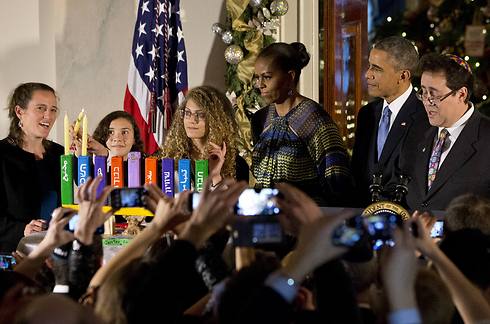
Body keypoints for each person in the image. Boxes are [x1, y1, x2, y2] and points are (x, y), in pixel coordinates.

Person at [251, 42, 353, 206]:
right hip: (266, 217)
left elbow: (337, 182)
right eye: (258, 77)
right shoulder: (260, 119)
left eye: (267, 77)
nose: (260, 84)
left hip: (304, 220)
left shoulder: (315, 119)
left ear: (290, 76)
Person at [400, 53, 490, 212]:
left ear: (461, 94)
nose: (427, 102)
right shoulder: (417, 131)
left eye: (434, 94)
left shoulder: (485, 137)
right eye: (423, 92)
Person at [351, 36, 430, 207]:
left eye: (377, 69)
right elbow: (357, 173)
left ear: (403, 75)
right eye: (369, 66)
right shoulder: (367, 114)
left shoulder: (426, 117)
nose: (367, 74)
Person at [0, 82, 63, 253]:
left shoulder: (60, 153)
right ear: (19, 112)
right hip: (12, 258)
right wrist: (23, 230)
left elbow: (90, 191)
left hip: (54, 254)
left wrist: (100, 156)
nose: (48, 116)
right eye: (41, 108)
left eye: (53, 110)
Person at [160, 85, 248, 187]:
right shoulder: (170, 159)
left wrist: (216, 176)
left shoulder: (237, 165)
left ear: (217, 120)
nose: (192, 120)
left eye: (200, 115)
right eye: (188, 113)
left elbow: (232, 202)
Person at [72, 110, 145, 162]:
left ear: (134, 139)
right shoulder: (92, 166)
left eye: (125, 132)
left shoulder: (147, 168)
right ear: (102, 136)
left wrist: (103, 153)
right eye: (111, 132)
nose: (117, 138)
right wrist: (80, 153)